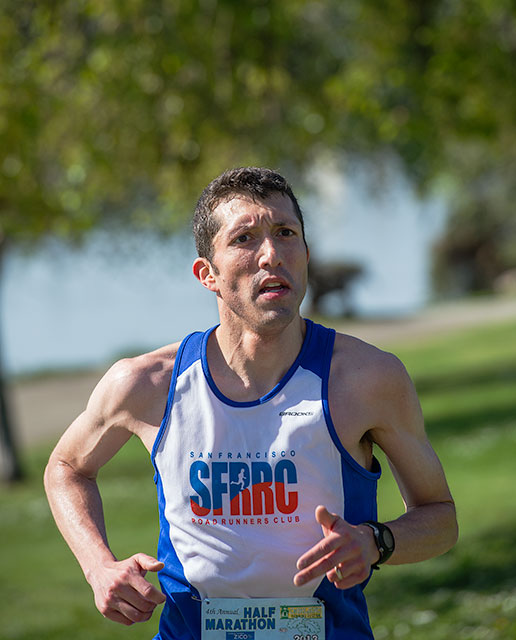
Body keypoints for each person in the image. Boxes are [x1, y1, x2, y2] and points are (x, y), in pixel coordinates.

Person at [44, 167, 458, 639]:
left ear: (306, 255)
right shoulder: (146, 384)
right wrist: (98, 566)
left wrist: (375, 541)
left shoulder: (367, 379)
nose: (271, 255)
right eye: (244, 239)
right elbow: (66, 468)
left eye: (286, 233)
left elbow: (440, 517)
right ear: (208, 274)